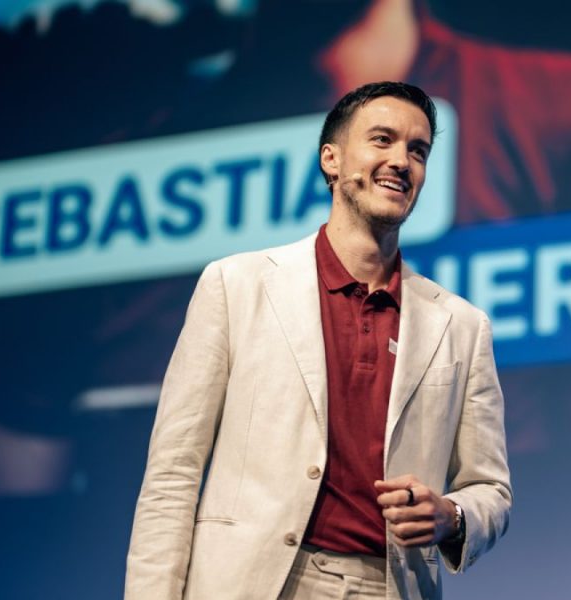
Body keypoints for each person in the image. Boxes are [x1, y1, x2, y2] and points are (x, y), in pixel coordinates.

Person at [124, 82, 512, 600]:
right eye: (382, 140)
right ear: (331, 159)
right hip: (252, 583)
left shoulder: (461, 325)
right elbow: (173, 473)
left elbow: (491, 489)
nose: (401, 161)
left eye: (418, 151)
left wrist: (452, 515)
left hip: (387, 584)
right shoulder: (237, 286)